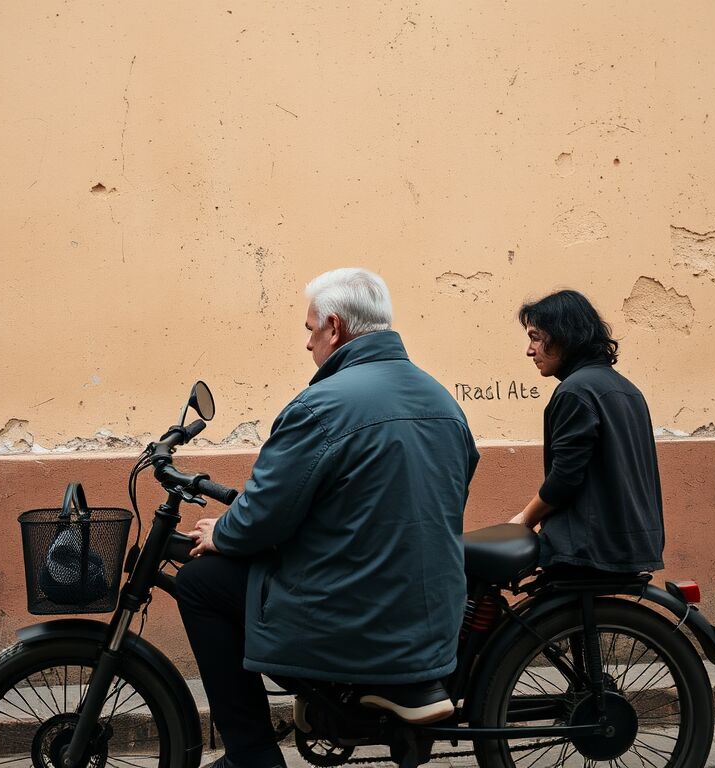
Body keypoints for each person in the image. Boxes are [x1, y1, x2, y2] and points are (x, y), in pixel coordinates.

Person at [176, 268, 479, 768]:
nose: (307, 344)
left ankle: (251, 755)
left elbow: (263, 517)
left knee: (200, 582)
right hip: (428, 621)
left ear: (334, 328)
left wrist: (222, 532)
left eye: (309, 328)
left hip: (356, 618)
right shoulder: (442, 400)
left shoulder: (321, 405)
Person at [508, 289, 665, 576]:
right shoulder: (627, 390)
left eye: (535, 337)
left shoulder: (576, 391)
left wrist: (523, 519)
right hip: (631, 544)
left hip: (587, 548)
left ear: (564, 335)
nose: (529, 350)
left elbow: (565, 476)